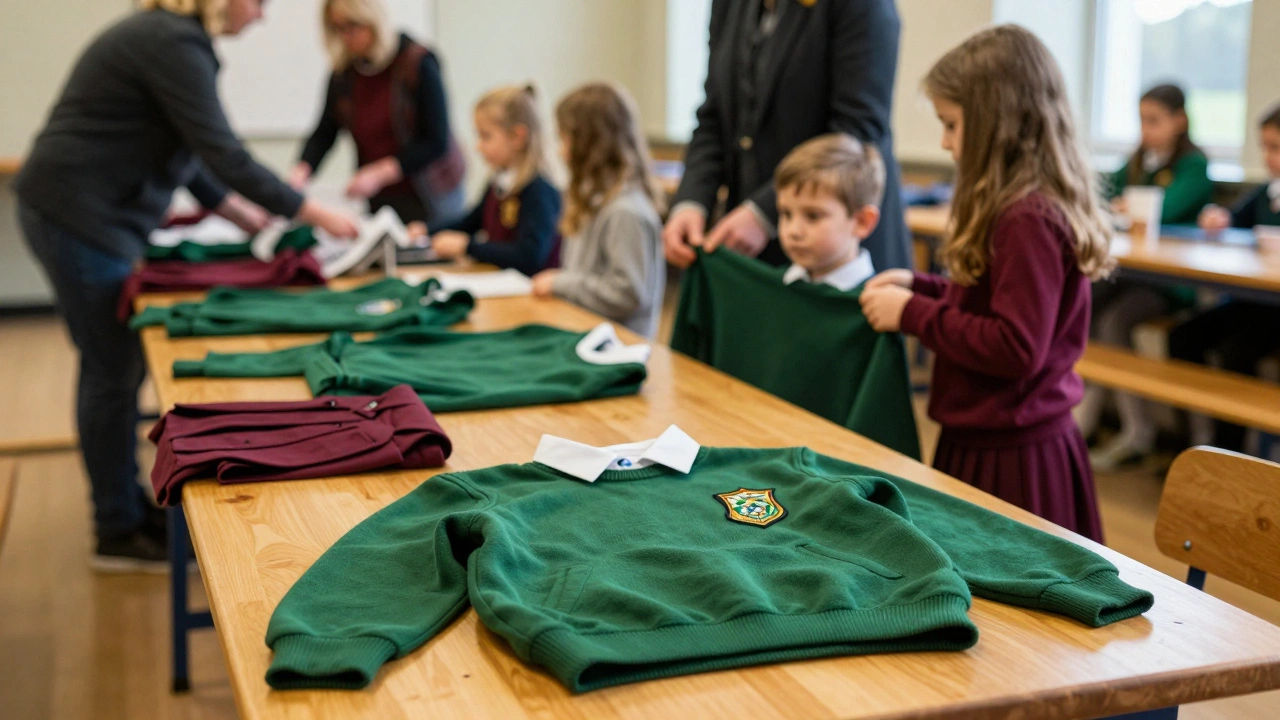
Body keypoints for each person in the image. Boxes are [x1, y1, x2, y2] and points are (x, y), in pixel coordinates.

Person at [13, 0, 358, 571]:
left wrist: (248, 218)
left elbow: (193, 158)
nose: (263, 15)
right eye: (260, 2)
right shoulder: (173, 43)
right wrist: (314, 212)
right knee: (111, 368)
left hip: (82, 215)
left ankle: (125, 506)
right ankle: (116, 531)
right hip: (78, 217)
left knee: (116, 367)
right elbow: (223, 152)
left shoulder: (166, 38)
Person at [859, 25, 1114, 542]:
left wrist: (912, 313)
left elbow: (1014, 345)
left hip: (1015, 459)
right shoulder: (1017, 209)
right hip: (989, 438)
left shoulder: (1028, 218)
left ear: (998, 123)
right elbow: (986, 300)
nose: (945, 143)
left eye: (952, 125)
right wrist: (921, 286)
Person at [662, 0, 909, 273]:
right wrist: (690, 203)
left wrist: (763, 213)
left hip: (838, 250)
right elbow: (715, 114)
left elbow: (856, 131)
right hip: (753, 248)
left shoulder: (862, 6)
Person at [1084, 84, 1213, 469]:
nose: (1146, 130)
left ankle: (1139, 434)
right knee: (1086, 301)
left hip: (1170, 284)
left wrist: (1132, 206)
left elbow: (1167, 209)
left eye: (1154, 120)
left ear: (1180, 121)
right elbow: (1106, 195)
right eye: (1142, 120)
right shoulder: (1139, 161)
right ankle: (1088, 419)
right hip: (1132, 275)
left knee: (1114, 321)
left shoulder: (1194, 165)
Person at [291, 0, 466, 225]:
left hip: (430, 196)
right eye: (337, 28)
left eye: (352, 26)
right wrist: (301, 172)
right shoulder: (343, 74)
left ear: (373, 21)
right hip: (381, 199)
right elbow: (325, 132)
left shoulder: (417, 62)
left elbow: (435, 140)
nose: (345, 36)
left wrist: (379, 173)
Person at [1171, 105, 1280, 453]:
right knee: (1184, 337)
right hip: (1253, 301)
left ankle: (1231, 452)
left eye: (1276, 148)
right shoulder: (1267, 192)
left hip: (1273, 310)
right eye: (1265, 147)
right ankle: (1192, 443)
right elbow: (1232, 219)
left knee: (1234, 352)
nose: (1268, 157)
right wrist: (1218, 218)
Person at [529, 83, 666, 339]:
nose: (560, 151)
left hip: (615, 347)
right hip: (583, 332)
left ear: (588, 144)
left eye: (564, 139)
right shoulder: (593, 201)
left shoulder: (625, 212)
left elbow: (627, 295)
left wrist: (560, 283)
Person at [427, 86, 561, 276]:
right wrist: (426, 231)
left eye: (486, 136)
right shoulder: (499, 182)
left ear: (517, 137)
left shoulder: (539, 190)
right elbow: (471, 222)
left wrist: (467, 247)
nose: (478, 146)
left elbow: (529, 256)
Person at [774, 133, 882, 291]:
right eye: (786, 214)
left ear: (862, 222)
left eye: (813, 216)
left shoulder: (879, 307)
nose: (793, 231)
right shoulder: (771, 289)